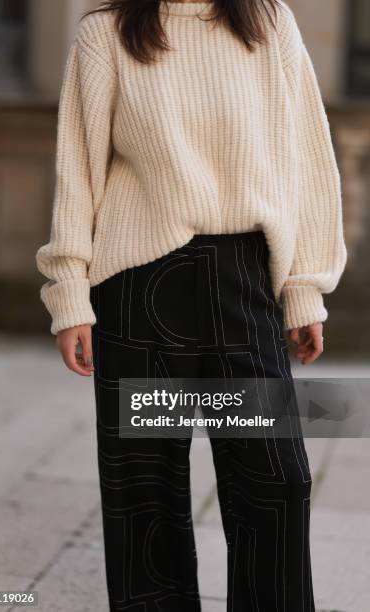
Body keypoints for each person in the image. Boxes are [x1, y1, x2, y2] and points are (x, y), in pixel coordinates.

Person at [35, 1, 347, 610]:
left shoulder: (268, 21)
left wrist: (304, 286)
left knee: (276, 482)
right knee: (146, 497)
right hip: (138, 293)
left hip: (245, 284)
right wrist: (69, 292)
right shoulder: (106, 34)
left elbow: (307, 158)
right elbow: (78, 169)